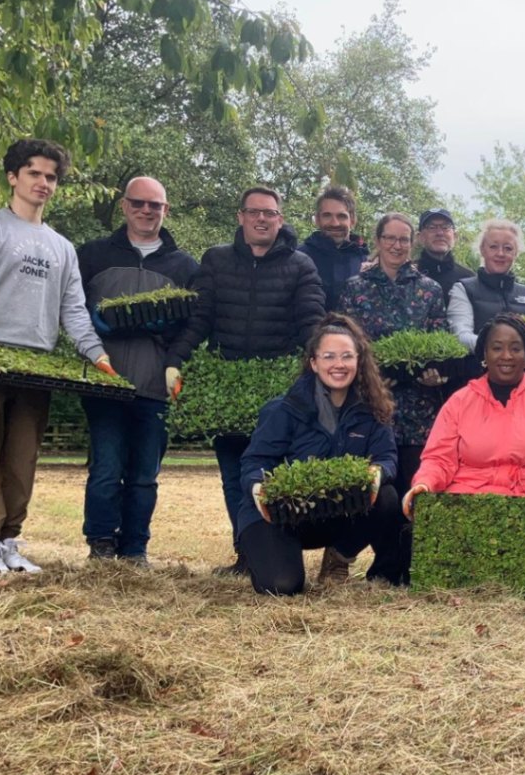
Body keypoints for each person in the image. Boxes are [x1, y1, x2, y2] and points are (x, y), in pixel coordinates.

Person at [0, 138, 117, 573]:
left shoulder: (61, 247)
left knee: (23, 453)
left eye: (51, 177)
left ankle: (9, 540)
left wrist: (96, 354)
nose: (43, 183)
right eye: (34, 174)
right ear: (13, 177)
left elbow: (73, 311)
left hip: (35, 365)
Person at [165, 186, 325, 576]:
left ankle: (279, 548)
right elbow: (200, 318)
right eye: (254, 212)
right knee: (234, 475)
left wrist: (325, 361)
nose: (261, 219)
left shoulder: (301, 265)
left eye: (269, 213)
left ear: (280, 220)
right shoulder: (217, 260)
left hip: (279, 384)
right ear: (240, 217)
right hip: (227, 380)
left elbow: (311, 322)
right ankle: (245, 552)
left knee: (277, 472)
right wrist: (175, 359)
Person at [402, 314, 525, 571]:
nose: (506, 356)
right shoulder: (460, 401)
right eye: (497, 348)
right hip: (468, 506)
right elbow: (438, 458)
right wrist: (424, 484)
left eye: (516, 348)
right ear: (484, 354)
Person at [76, 175, 199, 564]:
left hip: (154, 383)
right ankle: (100, 543)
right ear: (125, 206)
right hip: (104, 382)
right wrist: (96, 327)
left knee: (145, 474)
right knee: (107, 467)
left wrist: (174, 356)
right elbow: (71, 310)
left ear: (166, 210)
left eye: (155, 205)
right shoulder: (93, 254)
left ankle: (135, 548)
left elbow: (194, 326)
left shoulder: (185, 266)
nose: (147, 211)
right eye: (139, 203)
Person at [237, 314, 399, 595]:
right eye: (329, 357)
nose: (339, 365)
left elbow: (387, 458)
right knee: (282, 585)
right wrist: (257, 487)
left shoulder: (373, 411)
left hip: (331, 514)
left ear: (358, 361)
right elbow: (255, 461)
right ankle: (268, 554)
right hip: (279, 516)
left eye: (347, 356)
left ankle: (339, 557)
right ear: (314, 362)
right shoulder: (283, 409)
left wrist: (378, 472)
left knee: (385, 497)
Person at [335, 211, 449, 583]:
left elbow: (439, 341)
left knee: (410, 488)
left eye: (404, 239)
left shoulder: (429, 289)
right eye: (390, 238)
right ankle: (380, 564)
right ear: (378, 240)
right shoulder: (356, 287)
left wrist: (432, 372)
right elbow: (348, 342)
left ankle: (404, 568)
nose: (397, 245)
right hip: (370, 405)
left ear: (412, 242)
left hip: (417, 409)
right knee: (375, 489)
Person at [447, 217, 525, 353]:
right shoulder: (464, 289)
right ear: (482, 250)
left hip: (521, 372)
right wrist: (500, 349)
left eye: (508, 248)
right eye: (493, 247)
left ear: (516, 253)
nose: (500, 253)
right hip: (477, 371)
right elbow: (460, 335)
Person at [297, 185, 367, 311]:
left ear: (353, 220)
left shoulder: (366, 262)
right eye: (327, 216)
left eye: (341, 216)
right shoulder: (298, 258)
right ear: (317, 220)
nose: (335, 223)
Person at [415, 207, 473, 303]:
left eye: (445, 227)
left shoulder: (468, 279)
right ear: (420, 237)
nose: (440, 233)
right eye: (432, 227)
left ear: (455, 236)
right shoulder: (408, 276)